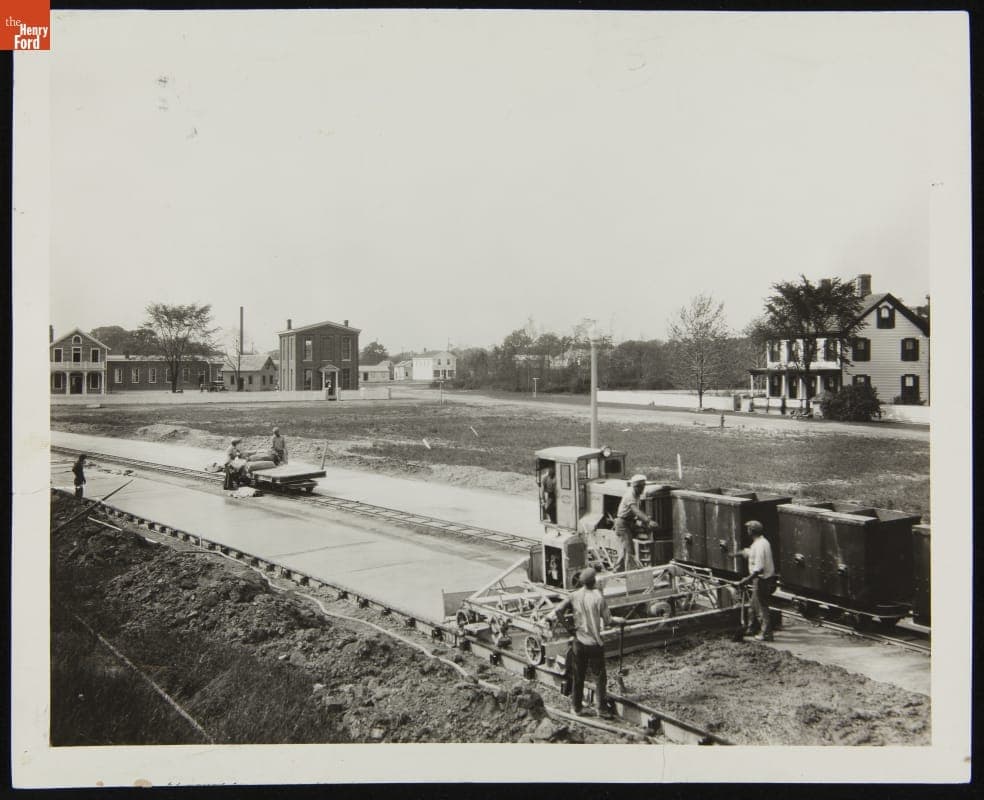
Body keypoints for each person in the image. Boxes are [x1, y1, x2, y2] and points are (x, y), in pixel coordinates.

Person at [546, 567, 625, 718]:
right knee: (600, 677)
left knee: (578, 676)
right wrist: (621, 621)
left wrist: (569, 628)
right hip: (594, 644)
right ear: (594, 580)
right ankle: (601, 709)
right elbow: (608, 621)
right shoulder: (598, 597)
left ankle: (576, 708)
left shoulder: (574, 595)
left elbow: (557, 611)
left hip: (579, 643)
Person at [737, 520, 777, 641]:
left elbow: (758, 569)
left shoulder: (760, 545)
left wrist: (744, 580)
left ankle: (766, 634)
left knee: (762, 607)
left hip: (762, 580)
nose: (747, 531)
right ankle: (751, 628)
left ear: (752, 531)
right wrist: (741, 553)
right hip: (762, 579)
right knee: (753, 605)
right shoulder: (762, 542)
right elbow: (753, 553)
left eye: (748, 529)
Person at [613, 474, 656, 571]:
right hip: (623, 524)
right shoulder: (630, 495)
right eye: (642, 486)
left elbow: (635, 514)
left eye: (644, 486)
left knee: (625, 548)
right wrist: (648, 521)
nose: (643, 489)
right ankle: (630, 573)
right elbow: (635, 510)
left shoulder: (637, 494)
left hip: (629, 522)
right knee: (629, 549)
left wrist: (642, 522)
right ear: (636, 486)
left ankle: (617, 570)